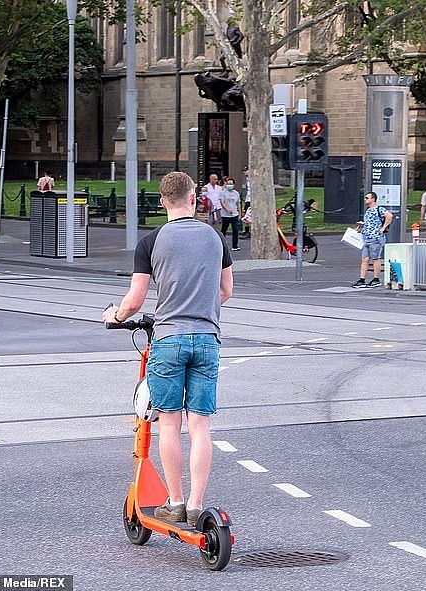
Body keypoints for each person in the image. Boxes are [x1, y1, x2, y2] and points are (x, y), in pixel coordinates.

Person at [102, 171, 233, 527]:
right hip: (207, 339)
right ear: (194, 199)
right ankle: (196, 504)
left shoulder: (151, 242)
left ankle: (174, 501)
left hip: (169, 339)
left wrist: (115, 315)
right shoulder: (215, 237)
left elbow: (135, 300)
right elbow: (226, 291)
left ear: (162, 202)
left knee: (170, 424)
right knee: (201, 426)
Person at [352, 191, 393, 288]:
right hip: (366, 237)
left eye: (367, 198)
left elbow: (389, 215)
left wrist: (383, 228)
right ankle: (362, 279)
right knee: (365, 259)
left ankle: (376, 279)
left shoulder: (379, 209)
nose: (365, 199)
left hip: (376, 238)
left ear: (373, 199)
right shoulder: (368, 210)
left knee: (375, 258)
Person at [220, 177, 241, 251]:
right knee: (224, 230)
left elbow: (238, 203)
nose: (230, 185)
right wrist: (227, 209)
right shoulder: (223, 193)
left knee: (235, 229)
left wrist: (239, 213)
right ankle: (221, 244)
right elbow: (222, 203)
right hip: (225, 215)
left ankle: (235, 245)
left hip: (234, 214)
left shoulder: (236, 193)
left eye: (231, 184)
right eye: (228, 184)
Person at [240, 167, 251, 238]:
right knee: (246, 215)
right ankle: (246, 230)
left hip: (251, 200)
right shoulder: (247, 180)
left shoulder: (253, 179)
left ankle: (249, 231)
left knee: (249, 215)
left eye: (245, 171)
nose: (244, 173)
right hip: (247, 199)